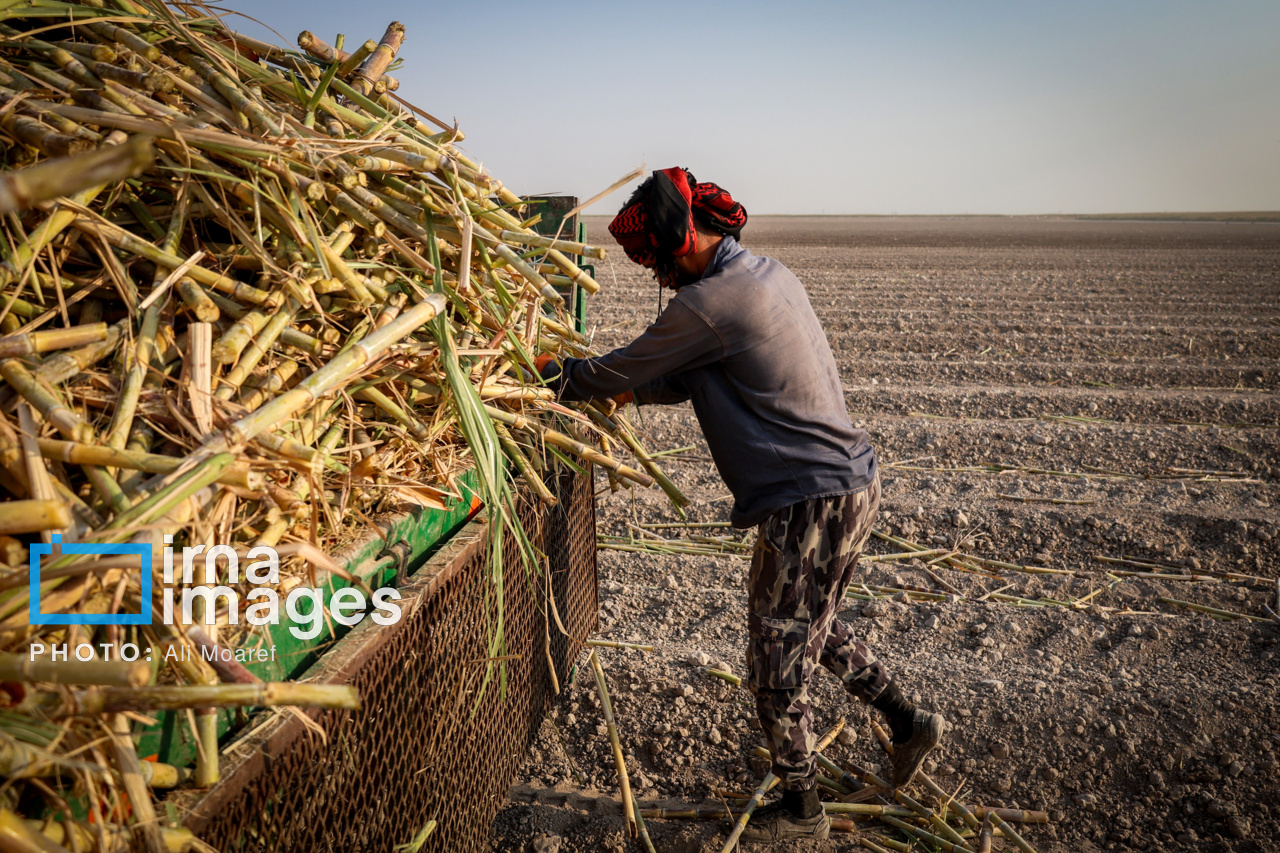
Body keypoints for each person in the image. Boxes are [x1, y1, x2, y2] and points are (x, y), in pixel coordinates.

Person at [540, 168, 944, 843]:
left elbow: (622, 368)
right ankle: (909, 723)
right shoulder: (763, 274)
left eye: (657, 263)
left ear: (679, 240)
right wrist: (632, 393)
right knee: (812, 627)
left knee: (774, 660)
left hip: (808, 500)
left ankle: (802, 813)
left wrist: (557, 374)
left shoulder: (707, 302)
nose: (659, 278)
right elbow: (686, 372)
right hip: (849, 485)